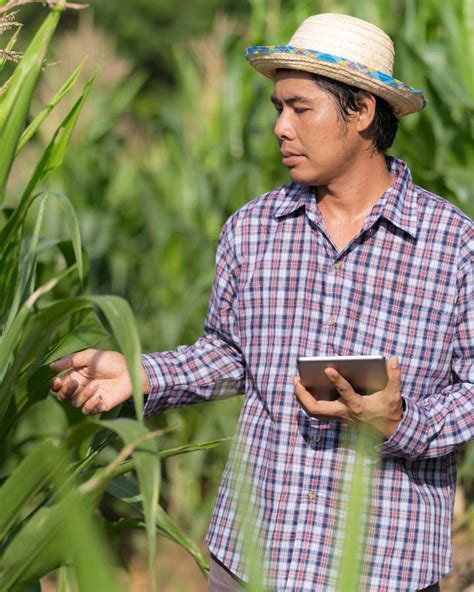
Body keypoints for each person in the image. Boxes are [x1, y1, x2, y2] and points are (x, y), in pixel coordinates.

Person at [50, 13, 473, 592]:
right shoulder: (253, 229)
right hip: (251, 558)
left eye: (300, 108)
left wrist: (401, 423)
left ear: (363, 112)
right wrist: (140, 373)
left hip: (384, 567)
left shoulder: (452, 244)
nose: (280, 126)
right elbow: (230, 355)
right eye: (278, 107)